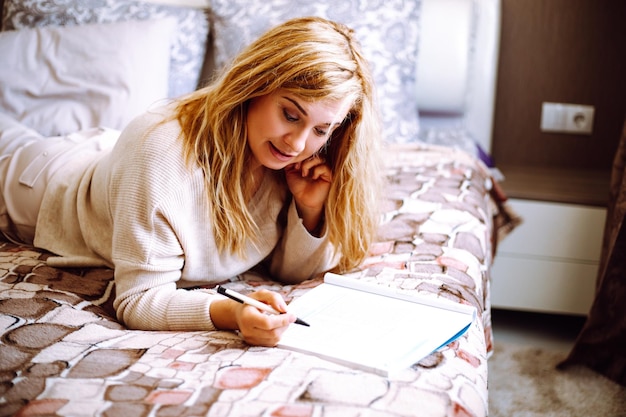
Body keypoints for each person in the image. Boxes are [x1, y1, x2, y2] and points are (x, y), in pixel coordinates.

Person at [0, 17, 382, 346]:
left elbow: (291, 272)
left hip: (105, 157)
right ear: (255, 84)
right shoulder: (161, 156)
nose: (298, 144)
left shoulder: (288, 160)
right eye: (290, 114)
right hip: (36, 184)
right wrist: (232, 313)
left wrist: (310, 209)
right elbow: (139, 300)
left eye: (320, 129)